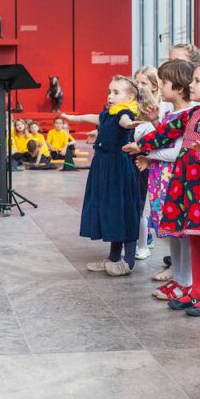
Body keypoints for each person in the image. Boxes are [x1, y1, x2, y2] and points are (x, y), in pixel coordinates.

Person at [126, 64, 200, 315]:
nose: (191, 85)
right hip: (186, 187)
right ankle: (195, 291)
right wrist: (140, 145)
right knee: (195, 239)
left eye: (197, 81)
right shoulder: (192, 113)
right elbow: (165, 133)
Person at [63, 76, 143, 277]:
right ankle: (113, 258)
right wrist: (73, 118)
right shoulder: (108, 115)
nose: (110, 96)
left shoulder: (124, 113)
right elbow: (89, 117)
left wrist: (132, 125)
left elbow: (125, 123)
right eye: (110, 91)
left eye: (116, 92)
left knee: (122, 209)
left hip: (118, 167)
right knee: (110, 210)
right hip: (103, 165)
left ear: (130, 97)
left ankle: (129, 260)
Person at [136, 60, 195, 299]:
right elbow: (165, 139)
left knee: (182, 233)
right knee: (172, 233)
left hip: (175, 181)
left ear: (179, 88)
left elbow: (177, 152)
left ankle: (186, 281)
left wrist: (146, 153)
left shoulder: (189, 114)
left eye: (165, 82)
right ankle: (178, 278)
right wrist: (154, 123)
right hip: (163, 180)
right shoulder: (170, 112)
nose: (161, 86)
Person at [132, 66, 161, 260]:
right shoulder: (135, 109)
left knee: (146, 206)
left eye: (144, 83)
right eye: (137, 83)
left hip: (151, 162)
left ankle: (145, 239)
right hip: (136, 161)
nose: (140, 87)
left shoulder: (158, 110)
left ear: (154, 85)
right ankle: (141, 237)